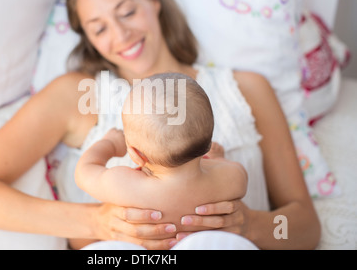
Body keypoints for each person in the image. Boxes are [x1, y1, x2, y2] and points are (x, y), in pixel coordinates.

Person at [0, 0, 321, 250]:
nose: (121, 34)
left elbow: (305, 228)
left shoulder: (246, 89)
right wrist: (95, 222)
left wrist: (248, 224)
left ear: (153, 1)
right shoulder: (76, 96)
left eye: (127, 11)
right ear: (89, 40)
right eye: (99, 27)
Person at [70, 72, 249, 250]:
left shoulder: (127, 185)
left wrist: (109, 143)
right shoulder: (230, 178)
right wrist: (217, 159)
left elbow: (84, 172)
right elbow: (233, 171)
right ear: (208, 143)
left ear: (136, 155)